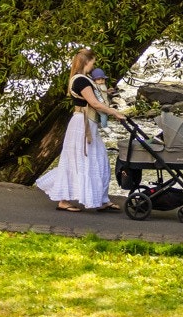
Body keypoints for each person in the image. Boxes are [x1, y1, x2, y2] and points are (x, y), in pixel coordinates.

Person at [36, 48, 125, 212]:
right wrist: (116, 113)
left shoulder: (83, 79)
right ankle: (64, 200)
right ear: (87, 62)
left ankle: (100, 199)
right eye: (93, 61)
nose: (94, 64)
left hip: (86, 123)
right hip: (82, 124)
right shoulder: (81, 81)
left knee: (98, 160)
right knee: (79, 160)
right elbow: (95, 103)